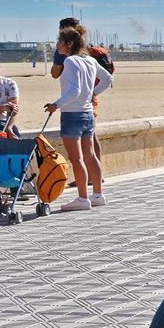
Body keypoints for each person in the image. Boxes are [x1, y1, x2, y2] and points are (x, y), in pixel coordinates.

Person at [44, 27, 113, 211]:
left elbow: (73, 91)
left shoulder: (71, 62)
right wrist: (93, 93)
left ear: (69, 44)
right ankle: (97, 194)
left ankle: (82, 198)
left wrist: (55, 105)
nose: (57, 45)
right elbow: (108, 78)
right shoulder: (90, 60)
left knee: (77, 158)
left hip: (72, 115)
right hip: (87, 114)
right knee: (90, 155)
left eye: (60, 41)